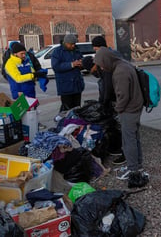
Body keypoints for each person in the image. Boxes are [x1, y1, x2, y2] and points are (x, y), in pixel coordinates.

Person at [94, 46, 149, 188]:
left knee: (128, 140)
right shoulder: (124, 64)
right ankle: (137, 166)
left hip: (129, 110)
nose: (102, 67)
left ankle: (133, 170)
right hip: (136, 107)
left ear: (106, 60)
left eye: (101, 64)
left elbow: (123, 96)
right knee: (134, 138)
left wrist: (118, 109)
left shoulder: (119, 72)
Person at [90, 36, 125, 161]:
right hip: (115, 95)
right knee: (117, 124)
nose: (95, 51)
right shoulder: (112, 55)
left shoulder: (107, 57)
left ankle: (120, 149)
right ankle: (119, 147)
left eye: (95, 48)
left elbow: (108, 82)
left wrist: (104, 101)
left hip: (114, 97)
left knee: (117, 124)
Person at [51, 34, 85, 113]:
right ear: (65, 43)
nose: (73, 46)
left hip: (77, 85)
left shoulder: (77, 50)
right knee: (66, 108)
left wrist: (82, 64)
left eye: (74, 44)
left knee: (77, 108)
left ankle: (76, 123)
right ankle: (64, 123)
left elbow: (82, 62)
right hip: (65, 85)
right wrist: (72, 64)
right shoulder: (57, 52)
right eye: (71, 44)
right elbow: (56, 66)